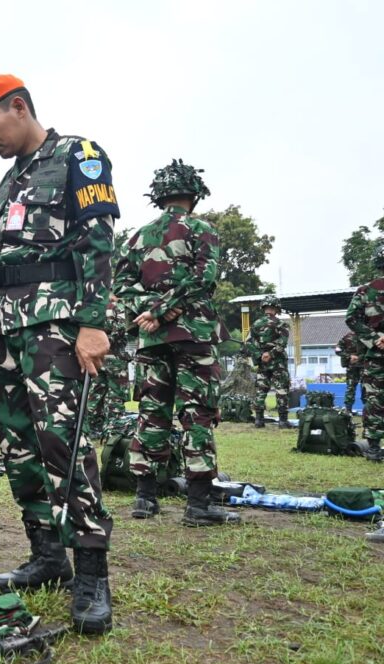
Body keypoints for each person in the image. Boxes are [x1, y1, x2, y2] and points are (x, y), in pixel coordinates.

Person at [0, 74, 115, 634]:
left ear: (19, 107)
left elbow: (99, 241)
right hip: (7, 328)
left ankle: (91, 571)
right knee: (18, 445)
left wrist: (93, 322)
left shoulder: (78, 155)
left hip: (56, 323)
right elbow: (1, 261)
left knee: (63, 443)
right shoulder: (10, 180)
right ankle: (47, 554)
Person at [115, 159, 237, 529]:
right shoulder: (202, 229)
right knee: (197, 412)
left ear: (159, 196)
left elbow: (120, 286)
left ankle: (145, 498)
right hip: (193, 336)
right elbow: (204, 279)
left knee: (152, 412)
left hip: (152, 340)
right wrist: (166, 309)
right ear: (194, 195)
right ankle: (197, 505)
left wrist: (151, 311)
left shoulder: (139, 237)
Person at [346, 243, 384, 463]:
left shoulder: (365, 291)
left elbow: (352, 319)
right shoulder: (365, 290)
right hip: (376, 355)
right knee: (375, 400)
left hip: (375, 355)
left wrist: (375, 338)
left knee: (375, 400)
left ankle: (374, 448)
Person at [86, 296, 131, 439]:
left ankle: (93, 428)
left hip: (97, 357)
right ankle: (113, 429)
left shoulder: (95, 305)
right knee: (116, 394)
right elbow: (123, 328)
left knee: (95, 393)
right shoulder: (119, 306)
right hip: (116, 358)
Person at [247, 294, 292, 428]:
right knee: (281, 389)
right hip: (278, 363)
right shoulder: (282, 324)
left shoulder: (256, 324)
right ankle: (283, 421)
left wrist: (260, 355)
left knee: (261, 390)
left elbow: (248, 343)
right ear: (277, 308)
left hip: (262, 364)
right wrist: (271, 354)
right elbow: (282, 343)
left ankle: (259, 420)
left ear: (264, 307)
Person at [335, 331, 363, 414]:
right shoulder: (348, 336)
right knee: (351, 387)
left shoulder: (366, 335)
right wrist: (350, 356)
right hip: (354, 367)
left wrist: (353, 357)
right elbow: (337, 350)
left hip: (363, 366)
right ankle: (348, 409)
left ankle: (368, 410)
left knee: (365, 387)